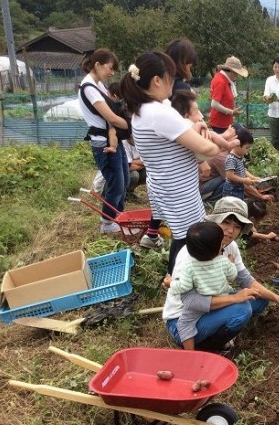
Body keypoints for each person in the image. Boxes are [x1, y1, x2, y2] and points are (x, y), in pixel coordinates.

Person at [120, 51, 226, 275]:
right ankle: (175, 279)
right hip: (177, 188)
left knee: (183, 234)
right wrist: (219, 146)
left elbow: (173, 137)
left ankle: (177, 278)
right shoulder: (159, 113)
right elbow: (205, 148)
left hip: (165, 182)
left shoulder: (144, 108)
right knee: (188, 236)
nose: (173, 82)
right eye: (170, 76)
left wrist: (194, 131)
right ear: (157, 80)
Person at [163, 197, 279, 352]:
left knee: (259, 297)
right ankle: (208, 348)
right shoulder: (193, 253)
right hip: (183, 321)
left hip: (209, 303)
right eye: (226, 222)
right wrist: (234, 298)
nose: (231, 231)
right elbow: (191, 301)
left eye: (237, 226)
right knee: (242, 309)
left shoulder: (229, 246)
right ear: (214, 221)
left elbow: (245, 279)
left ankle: (221, 327)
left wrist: (276, 297)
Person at [78, 48, 130, 234]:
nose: (112, 72)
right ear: (98, 65)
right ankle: (107, 221)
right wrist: (134, 125)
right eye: (110, 67)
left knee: (124, 179)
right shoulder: (89, 88)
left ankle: (118, 216)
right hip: (103, 142)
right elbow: (112, 118)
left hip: (113, 138)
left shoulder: (99, 86)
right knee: (116, 182)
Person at [166, 222, 237, 350]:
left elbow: (183, 286)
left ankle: (191, 353)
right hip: (220, 299)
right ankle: (223, 340)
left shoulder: (190, 267)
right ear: (217, 248)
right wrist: (231, 263)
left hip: (200, 306)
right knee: (238, 307)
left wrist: (170, 283)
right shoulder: (223, 261)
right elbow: (233, 275)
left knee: (185, 324)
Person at [222, 128, 274, 202]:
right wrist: (244, 180)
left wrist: (253, 177)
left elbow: (243, 170)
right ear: (237, 145)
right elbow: (230, 176)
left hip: (239, 188)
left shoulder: (240, 156)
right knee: (234, 207)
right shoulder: (231, 159)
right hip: (232, 190)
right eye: (247, 148)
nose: (247, 151)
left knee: (239, 203)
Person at [209, 56, 247, 134]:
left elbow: (225, 99)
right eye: (236, 73)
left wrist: (232, 111)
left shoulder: (225, 80)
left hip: (225, 122)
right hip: (219, 123)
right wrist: (231, 112)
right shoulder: (220, 81)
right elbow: (214, 104)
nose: (237, 76)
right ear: (231, 71)